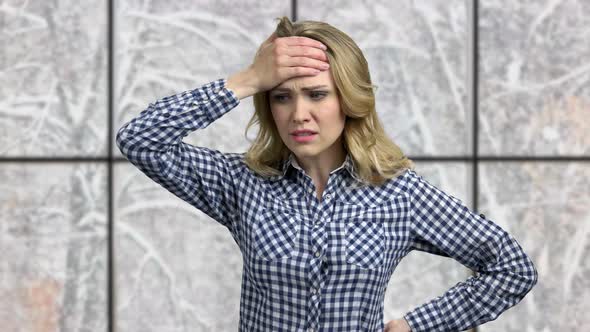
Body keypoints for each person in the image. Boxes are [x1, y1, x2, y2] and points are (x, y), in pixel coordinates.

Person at [116, 16, 538, 332]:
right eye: (282, 97)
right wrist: (248, 80)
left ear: (348, 100)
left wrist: (416, 325)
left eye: (317, 95)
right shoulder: (242, 183)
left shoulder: (398, 195)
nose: (299, 114)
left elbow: (511, 267)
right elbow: (140, 139)